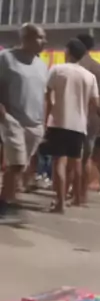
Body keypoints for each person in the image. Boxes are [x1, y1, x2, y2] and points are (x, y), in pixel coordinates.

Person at [45, 38, 99, 213]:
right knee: (76, 162)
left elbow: (47, 96)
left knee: (59, 163)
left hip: (58, 122)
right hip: (79, 125)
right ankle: (77, 196)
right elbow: (96, 103)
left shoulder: (57, 69)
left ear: (67, 51)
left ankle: (59, 202)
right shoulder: (89, 76)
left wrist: (46, 118)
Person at [0, 23, 47, 220]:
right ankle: (4, 202)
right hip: (13, 119)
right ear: (25, 38)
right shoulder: (6, 58)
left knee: (20, 165)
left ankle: (8, 198)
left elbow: (43, 95)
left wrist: (44, 121)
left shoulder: (42, 65)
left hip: (35, 123)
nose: (43, 41)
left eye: (44, 37)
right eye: (39, 37)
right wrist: (3, 112)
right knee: (17, 163)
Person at [76, 33, 100, 206]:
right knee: (91, 159)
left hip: (75, 116)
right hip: (95, 119)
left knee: (73, 158)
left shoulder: (74, 66)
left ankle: (73, 193)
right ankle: (83, 194)